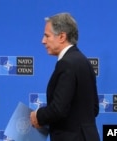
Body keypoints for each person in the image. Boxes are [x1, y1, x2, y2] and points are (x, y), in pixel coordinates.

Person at [30, 12, 100, 141]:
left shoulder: (66, 64)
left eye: (47, 36)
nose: (43, 41)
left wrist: (38, 116)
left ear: (62, 36)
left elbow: (58, 109)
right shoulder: (84, 61)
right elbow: (94, 109)